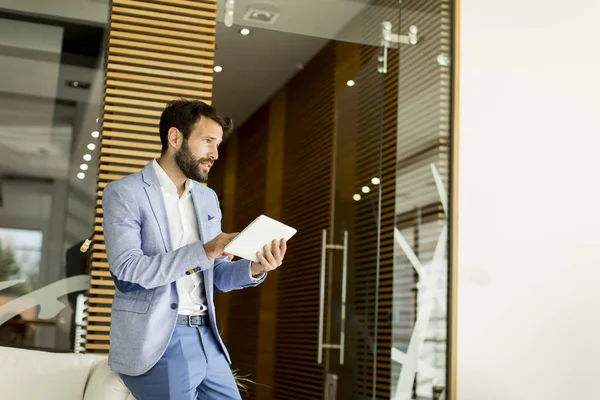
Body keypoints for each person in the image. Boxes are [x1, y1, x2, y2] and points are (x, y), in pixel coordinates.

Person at [102, 99, 287, 400]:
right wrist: (205, 251)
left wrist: (255, 267)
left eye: (217, 144)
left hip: (207, 337)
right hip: (159, 340)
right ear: (175, 138)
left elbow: (213, 275)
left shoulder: (206, 198)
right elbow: (128, 271)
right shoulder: (125, 193)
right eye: (208, 142)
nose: (215, 153)